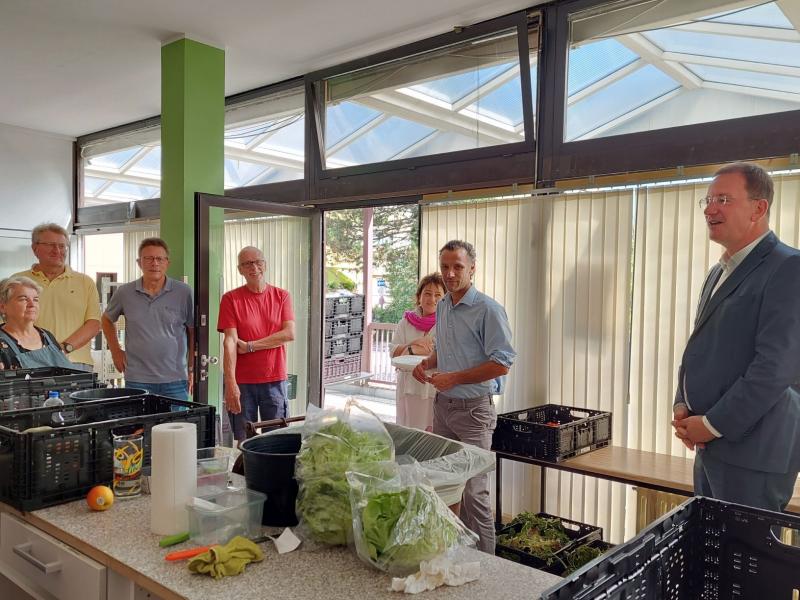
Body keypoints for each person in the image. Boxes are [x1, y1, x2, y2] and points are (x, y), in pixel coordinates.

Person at [672, 162, 800, 512]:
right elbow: (699, 350)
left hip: (755, 454)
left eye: (724, 199)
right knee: (711, 556)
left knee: (744, 562)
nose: (711, 209)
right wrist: (682, 405)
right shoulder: (718, 272)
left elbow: (775, 368)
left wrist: (712, 424)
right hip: (709, 446)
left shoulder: (789, 267)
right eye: (708, 200)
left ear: (759, 208)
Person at [412, 240, 515, 552]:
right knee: (445, 486)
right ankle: (453, 555)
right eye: (445, 266)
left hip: (474, 413)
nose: (450, 273)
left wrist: (454, 378)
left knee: (474, 493)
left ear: (473, 269)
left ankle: (488, 570)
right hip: (443, 408)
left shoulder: (489, 310)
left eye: (458, 266)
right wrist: (427, 363)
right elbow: (446, 349)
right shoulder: (444, 306)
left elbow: (502, 363)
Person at [218, 246, 295, 442]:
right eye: (247, 263)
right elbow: (230, 341)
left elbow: (288, 334)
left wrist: (251, 346)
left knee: (277, 439)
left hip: (274, 380)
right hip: (242, 383)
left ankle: (272, 474)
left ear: (265, 265)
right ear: (239, 270)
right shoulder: (230, 299)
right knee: (244, 440)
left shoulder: (281, 296)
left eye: (258, 261)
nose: (254, 267)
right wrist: (230, 383)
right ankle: (246, 474)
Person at [101, 238, 194, 400]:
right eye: (148, 259)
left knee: (176, 424)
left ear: (167, 263)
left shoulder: (184, 292)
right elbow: (107, 319)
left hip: (175, 378)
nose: (154, 263)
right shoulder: (125, 292)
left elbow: (192, 330)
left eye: (159, 259)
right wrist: (115, 351)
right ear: (139, 262)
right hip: (137, 379)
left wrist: (192, 366)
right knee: (139, 425)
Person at [13, 223, 101, 370]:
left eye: (62, 246)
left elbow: (94, 323)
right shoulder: (17, 281)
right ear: (35, 248)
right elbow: (6, 322)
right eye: (51, 245)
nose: (57, 250)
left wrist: (64, 349)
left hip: (75, 361)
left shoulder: (85, 282)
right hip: (28, 361)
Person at [390, 272, 445, 430]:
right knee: (407, 430)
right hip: (407, 386)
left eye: (438, 295)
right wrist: (414, 345)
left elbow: (439, 355)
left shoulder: (446, 324)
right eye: (427, 293)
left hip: (433, 388)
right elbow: (393, 353)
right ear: (419, 296)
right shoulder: (405, 322)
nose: (432, 299)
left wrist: (407, 349)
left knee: (432, 435)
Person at [0, 276, 74, 370]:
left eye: (35, 300)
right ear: (3, 307)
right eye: (23, 299)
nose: (32, 305)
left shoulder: (47, 336)